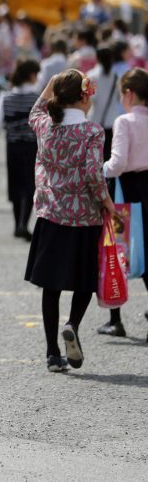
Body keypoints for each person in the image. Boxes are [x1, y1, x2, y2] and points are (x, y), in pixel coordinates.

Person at [25, 70, 114, 372]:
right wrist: (107, 202)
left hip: (51, 213)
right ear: (84, 96)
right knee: (84, 281)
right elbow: (93, 172)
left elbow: (35, 110)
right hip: (85, 216)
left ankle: (52, 353)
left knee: (51, 286)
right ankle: (73, 324)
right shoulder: (92, 131)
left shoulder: (45, 125)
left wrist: (52, 81)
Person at [97, 68, 148, 338]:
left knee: (116, 251)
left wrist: (100, 168)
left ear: (128, 94)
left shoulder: (124, 122)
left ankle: (115, 318)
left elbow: (118, 163)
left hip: (123, 194)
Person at [0, 59, 40, 240]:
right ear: (31, 76)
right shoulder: (36, 98)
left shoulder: (6, 97)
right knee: (30, 185)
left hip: (12, 146)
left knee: (15, 185)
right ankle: (23, 223)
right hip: (31, 147)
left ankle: (16, 225)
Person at [87, 46, 124, 160]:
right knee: (109, 155)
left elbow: (90, 98)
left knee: (95, 155)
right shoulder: (116, 76)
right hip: (111, 120)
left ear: (97, 58)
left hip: (95, 120)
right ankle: (109, 178)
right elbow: (119, 97)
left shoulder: (91, 75)